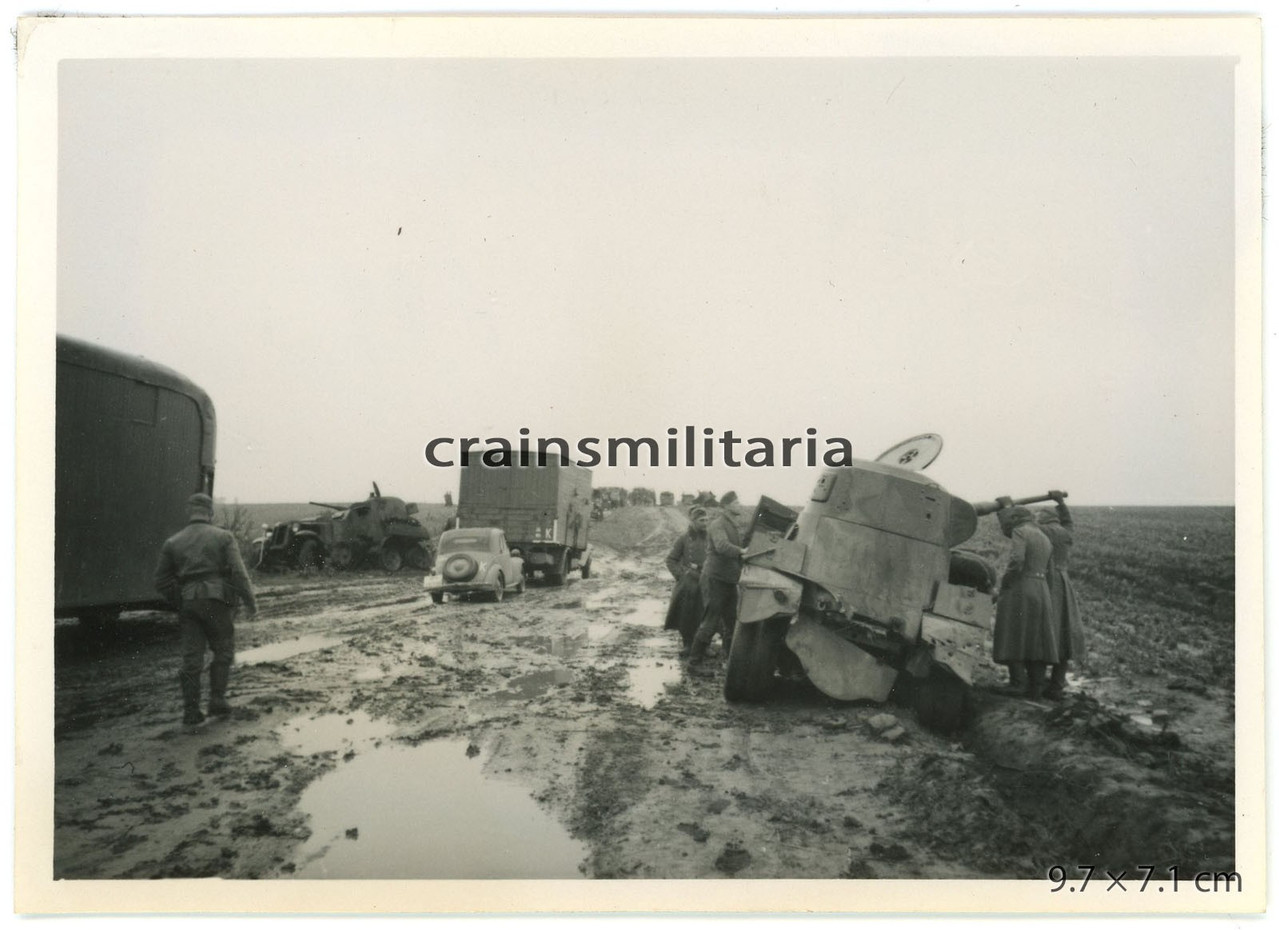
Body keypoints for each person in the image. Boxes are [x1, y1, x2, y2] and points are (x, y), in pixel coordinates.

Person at [155, 492, 258, 726]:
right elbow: (239, 573)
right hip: (217, 602)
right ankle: (217, 701)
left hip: (189, 604)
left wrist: (181, 598)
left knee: (191, 657)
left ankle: (190, 712)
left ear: (189, 512)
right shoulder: (223, 537)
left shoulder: (173, 542)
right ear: (210, 513)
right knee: (223, 649)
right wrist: (251, 602)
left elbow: (160, 581)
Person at [991, 503, 1059, 700]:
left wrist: (1006, 582)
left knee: (1014, 632)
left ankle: (1017, 683)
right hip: (1041, 589)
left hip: (1021, 587)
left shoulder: (1020, 532)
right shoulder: (1044, 537)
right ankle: (1036, 686)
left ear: (1015, 519)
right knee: (1036, 638)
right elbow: (1051, 572)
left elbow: (1017, 560)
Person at [689, 491, 747, 665]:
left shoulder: (733, 525)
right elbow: (722, 546)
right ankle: (694, 662)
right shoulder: (717, 524)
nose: (739, 505)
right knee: (711, 622)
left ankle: (729, 661)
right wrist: (742, 551)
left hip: (728, 580)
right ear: (727, 506)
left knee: (731, 622)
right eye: (736, 503)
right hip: (715, 579)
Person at [1037, 492, 1085, 699]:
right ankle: (1057, 685)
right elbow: (1069, 521)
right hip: (1063, 584)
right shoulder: (1066, 533)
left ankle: (1036, 684)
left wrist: (1005, 509)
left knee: (1041, 631)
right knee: (1063, 634)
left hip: (1045, 581)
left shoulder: (1039, 531)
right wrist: (1061, 502)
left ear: (1043, 518)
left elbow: (1013, 530)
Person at [664, 506, 709, 656]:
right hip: (688, 583)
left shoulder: (711, 538)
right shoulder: (683, 539)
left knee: (706, 615)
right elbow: (671, 560)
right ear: (693, 521)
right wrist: (681, 575)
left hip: (707, 581)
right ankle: (688, 644)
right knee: (686, 615)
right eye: (701, 520)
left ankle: (704, 646)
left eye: (706, 520)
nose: (705, 523)